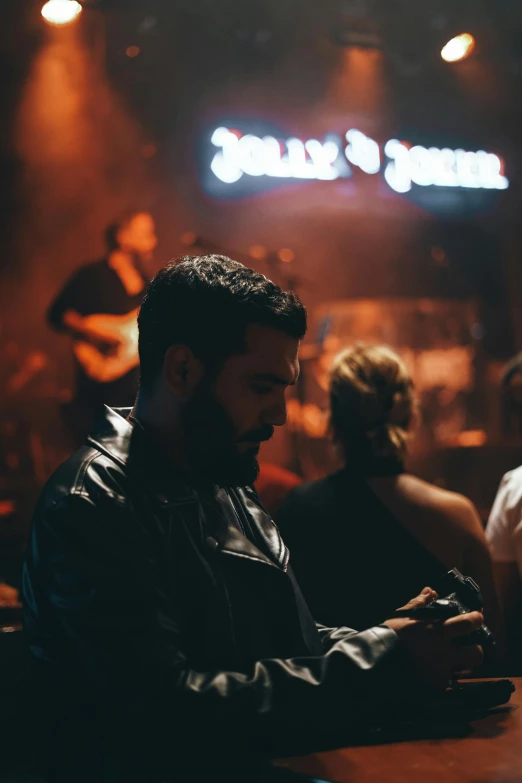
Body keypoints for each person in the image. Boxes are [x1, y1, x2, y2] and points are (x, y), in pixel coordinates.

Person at [24, 259, 484, 783]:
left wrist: (396, 640)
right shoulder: (94, 502)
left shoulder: (222, 476)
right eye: (261, 386)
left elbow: (284, 648)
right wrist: (380, 659)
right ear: (182, 370)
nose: (280, 414)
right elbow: (163, 715)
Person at [277, 344, 498, 636]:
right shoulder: (456, 515)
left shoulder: (298, 509)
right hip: (437, 682)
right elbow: (495, 644)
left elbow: (281, 633)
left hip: (340, 682)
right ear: (409, 414)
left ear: (333, 422)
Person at [47, 211, 157, 444]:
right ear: (122, 236)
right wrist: (96, 333)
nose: (153, 241)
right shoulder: (91, 276)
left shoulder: (148, 284)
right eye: (146, 233)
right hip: (97, 392)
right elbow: (57, 313)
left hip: (137, 392)